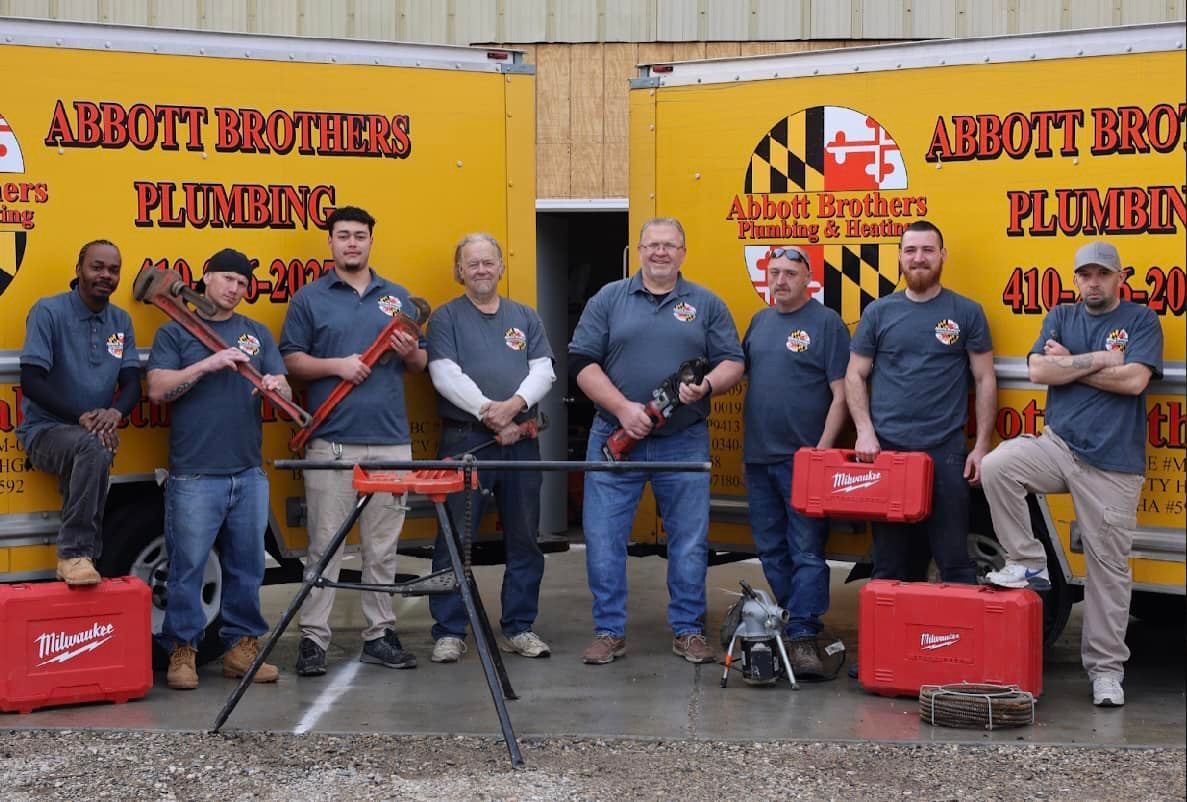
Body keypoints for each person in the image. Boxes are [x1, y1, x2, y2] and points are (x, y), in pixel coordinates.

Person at [982, 241, 1162, 708]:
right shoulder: (1061, 315)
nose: (1092, 282)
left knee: (1108, 573)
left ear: (1120, 277)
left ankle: (1105, 671)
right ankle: (1028, 560)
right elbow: (1039, 368)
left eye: (1102, 274)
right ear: (1077, 278)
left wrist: (1072, 365)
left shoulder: (1141, 321)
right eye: (1085, 275)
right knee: (998, 465)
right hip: (1058, 447)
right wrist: (1101, 360)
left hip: (1113, 464)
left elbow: (1136, 381)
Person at [568, 217, 745, 665]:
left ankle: (687, 631)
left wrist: (704, 388)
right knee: (604, 537)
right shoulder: (609, 299)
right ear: (640, 251)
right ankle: (609, 632)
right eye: (652, 245)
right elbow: (582, 363)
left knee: (688, 539)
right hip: (614, 435)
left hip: (682, 439)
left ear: (683, 252)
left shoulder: (706, 303)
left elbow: (732, 362)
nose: (661, 253)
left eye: (670, 245)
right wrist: (625, 410)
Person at [280, 205, 428, 676]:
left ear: (370, 241)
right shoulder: (310, 299)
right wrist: (336, 366)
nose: (351, 243)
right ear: (330, 243)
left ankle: (379, 635)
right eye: (343, 235)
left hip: (390, 442)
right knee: (325, 546)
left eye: (359, 236)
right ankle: (313, 640)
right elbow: (291, 362)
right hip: (333, 443)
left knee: (383, 548)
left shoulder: (397, 298)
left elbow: (421, 365)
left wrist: (410, 355)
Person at [146, 248, 289, 690]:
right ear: (205, 279)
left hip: (248, 473)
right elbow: (157, 389)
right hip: (194, 475)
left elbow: (282, 385)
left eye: (243, 283)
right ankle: (182, 653)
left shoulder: (257, 333)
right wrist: (209, 363)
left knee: (248, 567)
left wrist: (275, 385)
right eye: (227, 278)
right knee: (188, 566)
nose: (234, 288)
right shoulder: (176, 332)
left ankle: (240, 649)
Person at [425, 233, 556, 663]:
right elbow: (444, 374)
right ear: (459, 270)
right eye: (472, 264)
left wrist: (515, 407)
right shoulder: (445, 319)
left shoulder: (525, 316)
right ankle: (449, 630)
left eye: (488, 262)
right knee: (454, 540)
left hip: (520, 443)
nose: (481, 270)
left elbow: (544, 371)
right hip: (466, 441)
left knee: (524, 537)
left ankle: (519, 627)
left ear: (501, 266)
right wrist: (487, 411)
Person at [845, 220, 996, 584]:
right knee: (890, 563)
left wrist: (982, 446)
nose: (919, 258)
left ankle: (956, 637)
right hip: (888, 452)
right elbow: (854, 375)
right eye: (910, 250)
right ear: (899, 257)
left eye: (928, 250)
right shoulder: (879, 312)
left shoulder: (967, 312)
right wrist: (865, 432)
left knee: (953, 560)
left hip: (945, 451)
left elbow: (985, 377)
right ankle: (892, 639)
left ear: (942, 256)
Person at [742, 246, 849, 676]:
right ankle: (789, 619)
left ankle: (804, 632)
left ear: (809, 279)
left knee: (806, 550)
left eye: (790, 272)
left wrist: (820, 450)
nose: (781, 280)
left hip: (803, 458)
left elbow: (842, 393)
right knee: (769, 548)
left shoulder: (827, 324)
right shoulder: (759, 321)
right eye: (774, 272)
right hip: (758, 457)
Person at [17, 239, 141, 586]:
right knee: (94, 445)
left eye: (113, 269)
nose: (106, 275)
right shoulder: (49, 311)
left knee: (95, 445)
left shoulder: (121, 320)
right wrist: (82, 416)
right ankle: (74, 555)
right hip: (45, 431)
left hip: (92, 433)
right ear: (79, 270)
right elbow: (32, 380)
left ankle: (84, 560)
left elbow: (132, 383)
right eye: (97, 266)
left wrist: (115, 413)